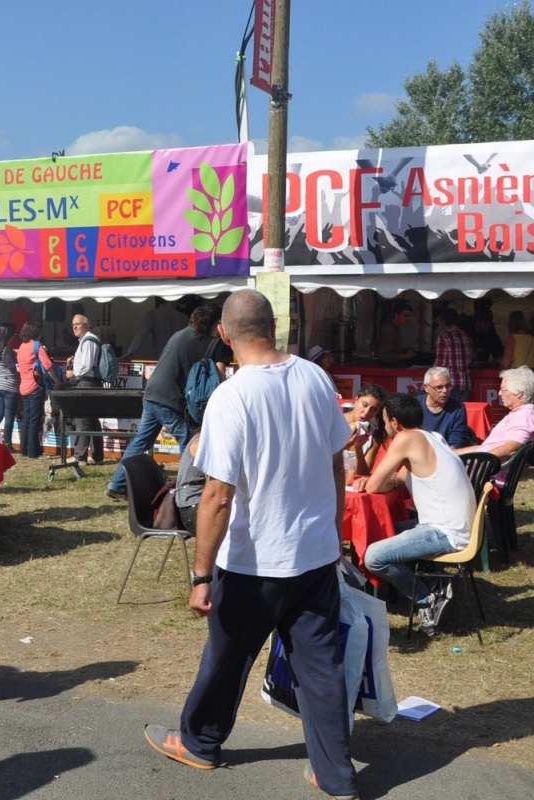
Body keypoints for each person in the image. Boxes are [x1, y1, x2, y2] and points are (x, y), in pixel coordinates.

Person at [143, 289, 358, 800]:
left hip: (255, 560)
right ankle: (336, 775)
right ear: (274, 325)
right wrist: (334, 533)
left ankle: (199, 742)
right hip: (313, 554)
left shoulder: (232, 397)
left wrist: (200, 575)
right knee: (321, 670)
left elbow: (217, 496)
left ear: (223, 333)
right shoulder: (314, 376)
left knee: (226, 658)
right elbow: (335, 464)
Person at [358, 392, 476, 636]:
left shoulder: (406, 438)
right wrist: (386, 481)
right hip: (456, 525)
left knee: (374, 556)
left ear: (395, 422)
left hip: (445, 531)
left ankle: (427, 599)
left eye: (384, 421)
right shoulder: (433, 437)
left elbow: (374, 485)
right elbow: (399, 478)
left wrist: (373, 481)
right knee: (387, 528)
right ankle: (433, 582)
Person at [106, 304, 232, 501]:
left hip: (152, 392)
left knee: (141, 441)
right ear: (217, 324)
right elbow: (219, 378)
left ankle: (117, 484)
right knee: (188, 442)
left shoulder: (179, 334)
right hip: (170, 397)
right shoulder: (215, 343)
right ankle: (188, 490)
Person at [457, 366, 534, 487]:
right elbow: (485, 448)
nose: (499, 393)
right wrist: (452, 453)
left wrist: (480, 460)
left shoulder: (523, 417)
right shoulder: (521, 415)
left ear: (519, 393)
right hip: (480, 471)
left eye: (503, 390)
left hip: (483, 478)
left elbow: (511, 448)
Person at [64, 314, 104, 465]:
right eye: (73, 324)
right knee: (92, 420)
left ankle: (80, 456)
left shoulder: (88, 340)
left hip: (87, 383)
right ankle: (97, 456)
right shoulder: (87, 340)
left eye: (78, 324)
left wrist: (73, 372)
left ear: (86, 326)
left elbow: (86, 365)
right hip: (90, 382)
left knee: (83, 419)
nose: (74, 327)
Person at [16, 321, 55, 458]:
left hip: (24, 386)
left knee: (26, 419)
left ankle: (24, 449)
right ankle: (34, 451)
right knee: (35, 419)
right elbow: (47, 364)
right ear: (37, 332)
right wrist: (56, 380)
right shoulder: (37, 346)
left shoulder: (21, 346)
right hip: (35, 386)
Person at [417, 366, 472, 448]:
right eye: (439, 387)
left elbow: (457, 440)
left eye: (448, 386)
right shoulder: (415, 405)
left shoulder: (458, 408)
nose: (445, 391)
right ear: (426, 388)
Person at [123, 298, 190, 360]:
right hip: (178, 359)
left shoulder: (154, 314)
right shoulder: (184, 318)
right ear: (173, 300)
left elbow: (142, 334)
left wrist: (130, 351)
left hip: (159, 358)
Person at [343, 383, 387, 476]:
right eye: (364, 405)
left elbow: (364, 473)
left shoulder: (373, 435)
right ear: (356, 399)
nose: (366, 412)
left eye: (373, 409)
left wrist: (357, 448)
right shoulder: (333, 423)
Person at [434, 308, 472, 402]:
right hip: (465, 383)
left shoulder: (443, 336)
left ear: (442, 321)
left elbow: (440, 363)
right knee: (460, 413)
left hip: (450, 384)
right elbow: (470, 359)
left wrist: (431, 371)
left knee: (449, 414)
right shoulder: (466, 335)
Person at [376, 299, 416, 365]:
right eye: (405, 315)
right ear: (396, 315)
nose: (407, 319)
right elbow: (384, 355)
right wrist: (404, 356)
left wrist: (404, 350)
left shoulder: (395, 329)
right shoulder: (389, 329)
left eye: (409, 316)